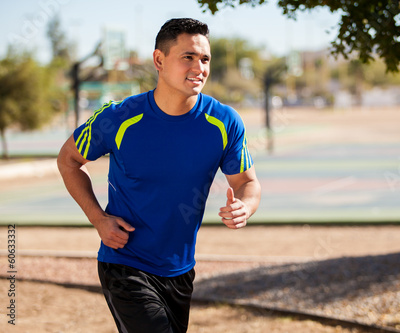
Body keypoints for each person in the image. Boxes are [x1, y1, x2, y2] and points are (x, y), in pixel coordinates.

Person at [57, 18, 261, 333]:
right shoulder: (119, 118)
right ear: (159, 61)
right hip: (125, 263)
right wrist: (98, 219)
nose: (199, 67)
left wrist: (244, 207)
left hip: (181, 270)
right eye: (188, 57)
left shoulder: (225, 122)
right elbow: (68, 159)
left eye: (205, 58)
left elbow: (247, 183)